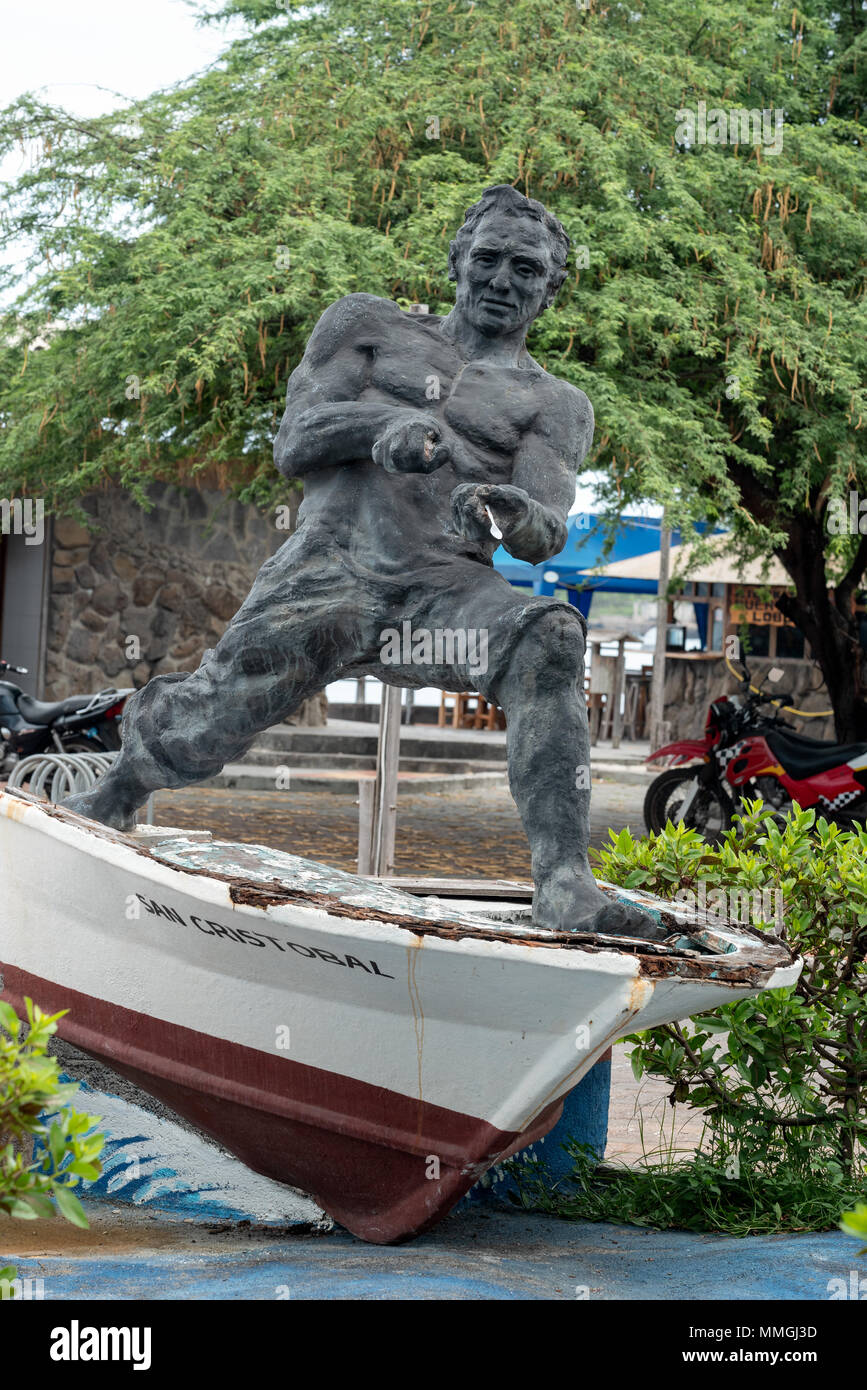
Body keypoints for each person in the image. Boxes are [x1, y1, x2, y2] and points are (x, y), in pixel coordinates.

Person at [66, 184, 655, 938]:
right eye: (488, 259)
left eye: (526, 269)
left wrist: (512, 511)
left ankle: (565, 882)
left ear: (549, 288)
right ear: (456, 261)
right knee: (205, 725)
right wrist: (384, 423)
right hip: (330, 571)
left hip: (445, 592)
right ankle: (116, 794)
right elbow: (295, 442)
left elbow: (544, 533)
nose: (503, 280)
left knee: (549, 636)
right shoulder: (368, 327)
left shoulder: (556, 404)